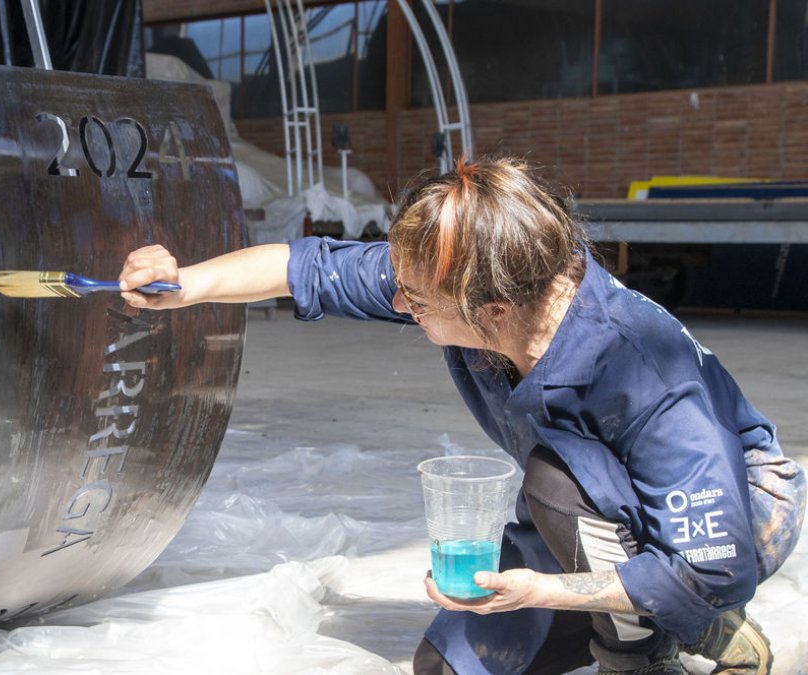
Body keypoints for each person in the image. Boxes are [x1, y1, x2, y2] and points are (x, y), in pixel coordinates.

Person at [116, 157, 806, 674]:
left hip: (735, 512)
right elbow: (309, 267)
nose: (399, 305)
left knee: (557, 474)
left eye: (415, 302)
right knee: (448, 666)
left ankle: (649, 648)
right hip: (594, 517)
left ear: (493, 312)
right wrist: (186, 284)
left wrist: (547, 588)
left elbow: (718, 564)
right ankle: (660, 618)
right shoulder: (474, 273)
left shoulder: (640, 372)